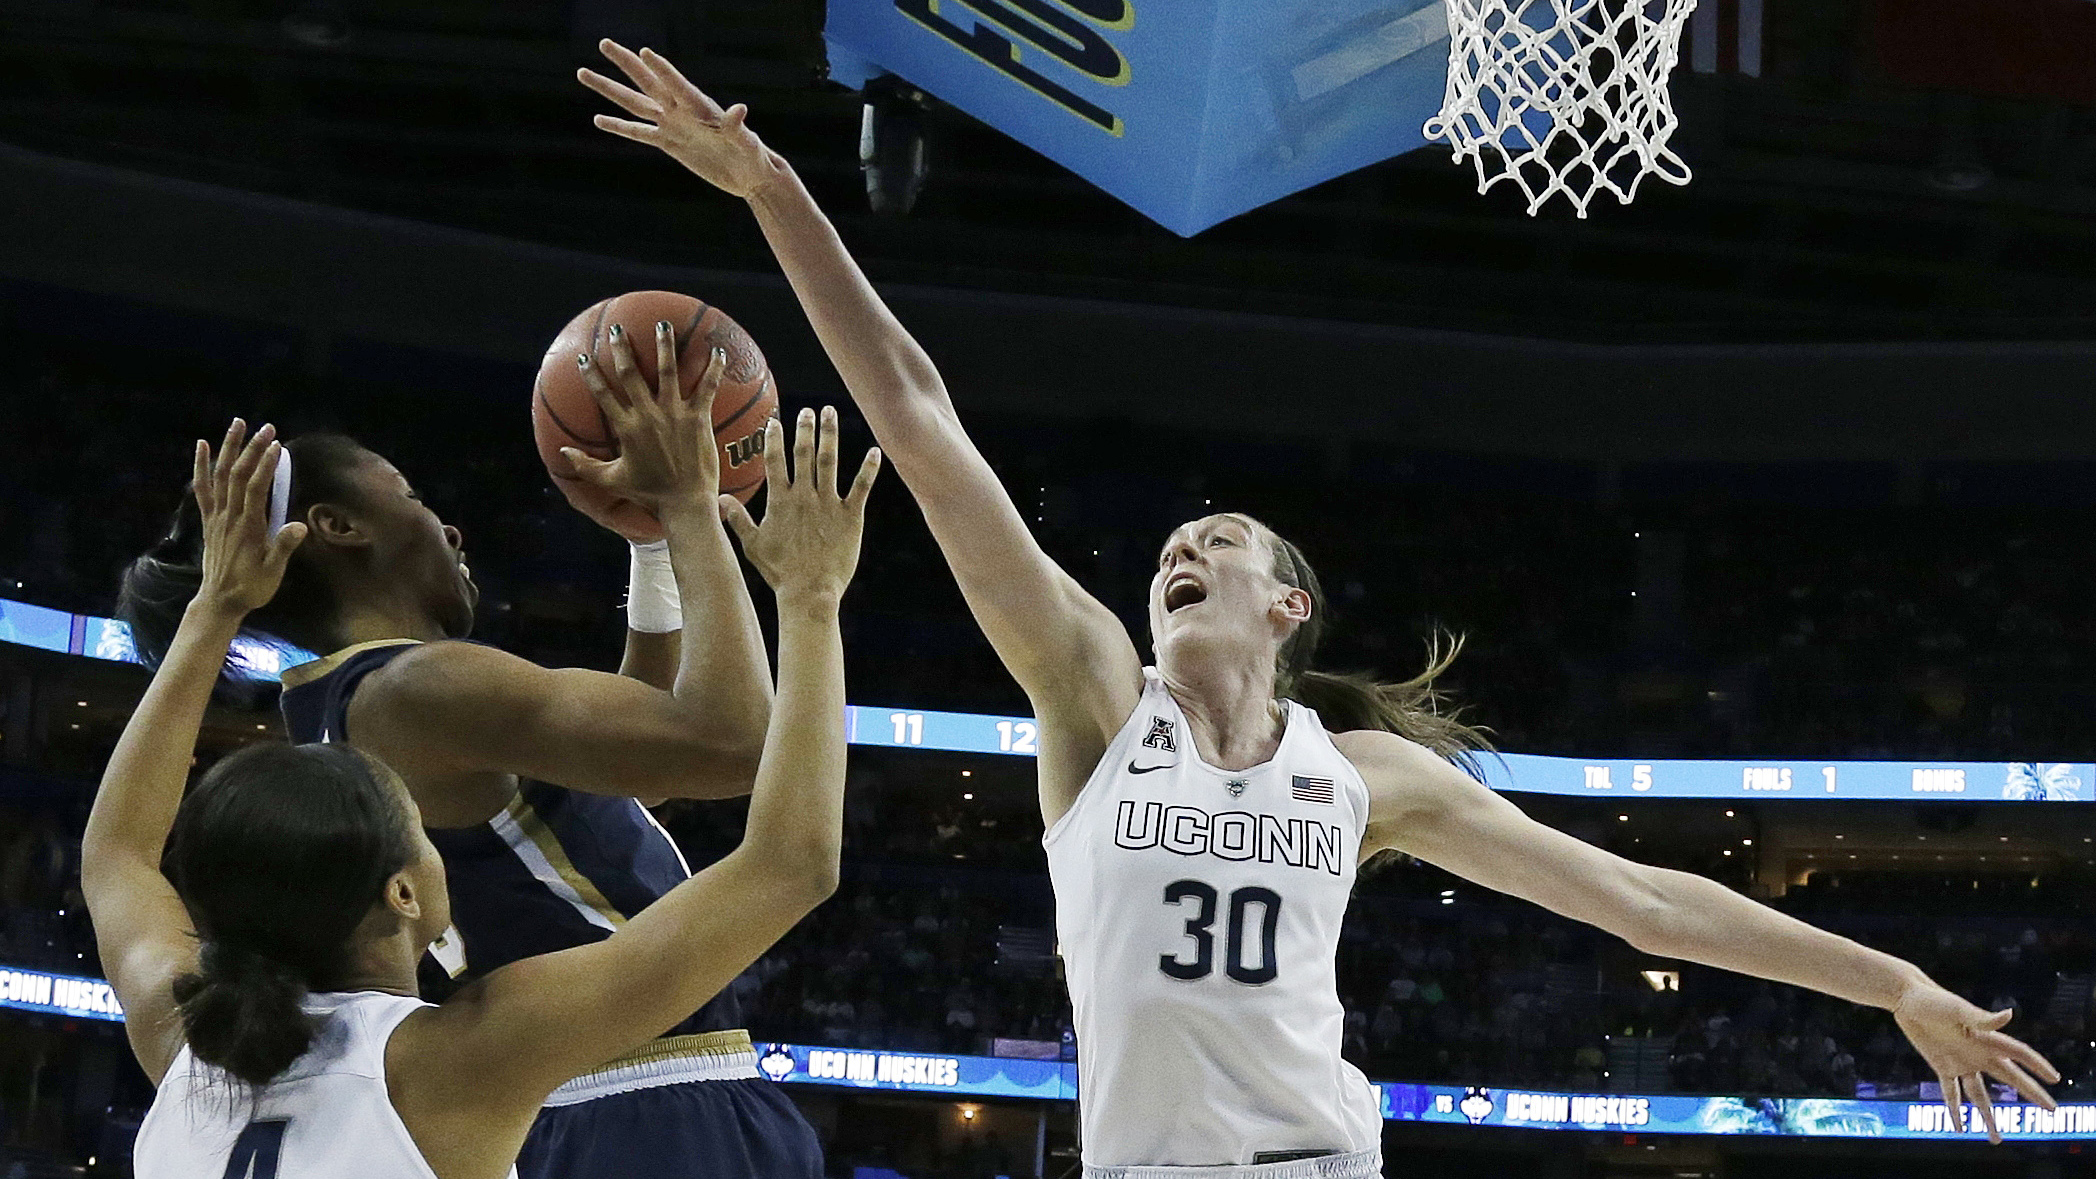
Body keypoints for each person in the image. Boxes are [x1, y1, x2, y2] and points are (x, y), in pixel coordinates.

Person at [578, 41, 2063, 1168]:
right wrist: (773, 188)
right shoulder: (1094, 697)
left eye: (1217, 538)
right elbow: (919, 416)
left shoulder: (1365, 778)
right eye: (1174, 537)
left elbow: (1645, 900)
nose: (1183, 545)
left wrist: (1894, 981)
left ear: (1285, 603)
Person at [83, 414, 880, 1177]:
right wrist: (699, 514)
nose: (444, 524)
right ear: (399, 886)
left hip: (574, 1103)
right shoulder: (416, 689)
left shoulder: (201, 1054)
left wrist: (655, 550)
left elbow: (641, 769)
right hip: (644, 1093)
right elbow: (733, 751)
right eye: (411, 494)